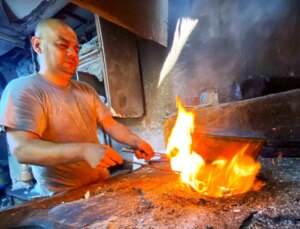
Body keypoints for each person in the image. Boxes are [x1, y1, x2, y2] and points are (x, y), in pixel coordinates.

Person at [0, 19, 154, 196]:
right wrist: (83, 151)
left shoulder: (86, 90)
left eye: (76, 49)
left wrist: (136, 142)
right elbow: (22, 149)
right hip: (62, 196)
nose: (73, 54)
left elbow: (111, 125)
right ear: (37, 45)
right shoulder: (24, 89)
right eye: (62, 46)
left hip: (101, 184)